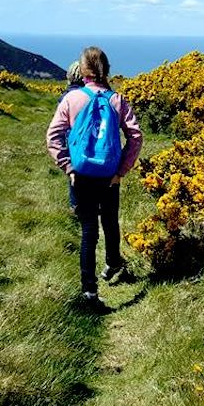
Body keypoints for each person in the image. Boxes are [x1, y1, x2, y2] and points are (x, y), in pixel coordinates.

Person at [47, 47, 143, 312]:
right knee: (110, 220)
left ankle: (89, 291)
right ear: (106, 69)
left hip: (82, 176)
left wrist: (68, 166)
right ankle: (114, 263)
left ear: (83, 70)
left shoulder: (71, 99)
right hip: (109, 177)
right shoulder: (118, 100)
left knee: (89, 232)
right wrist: (120, 171)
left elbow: (53, 136)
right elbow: (135, 137)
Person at [59, 61, 85, 211]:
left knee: (74, 175)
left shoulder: (66, 97)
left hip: (71, 142)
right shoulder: (90, 96)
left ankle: (75, 206)